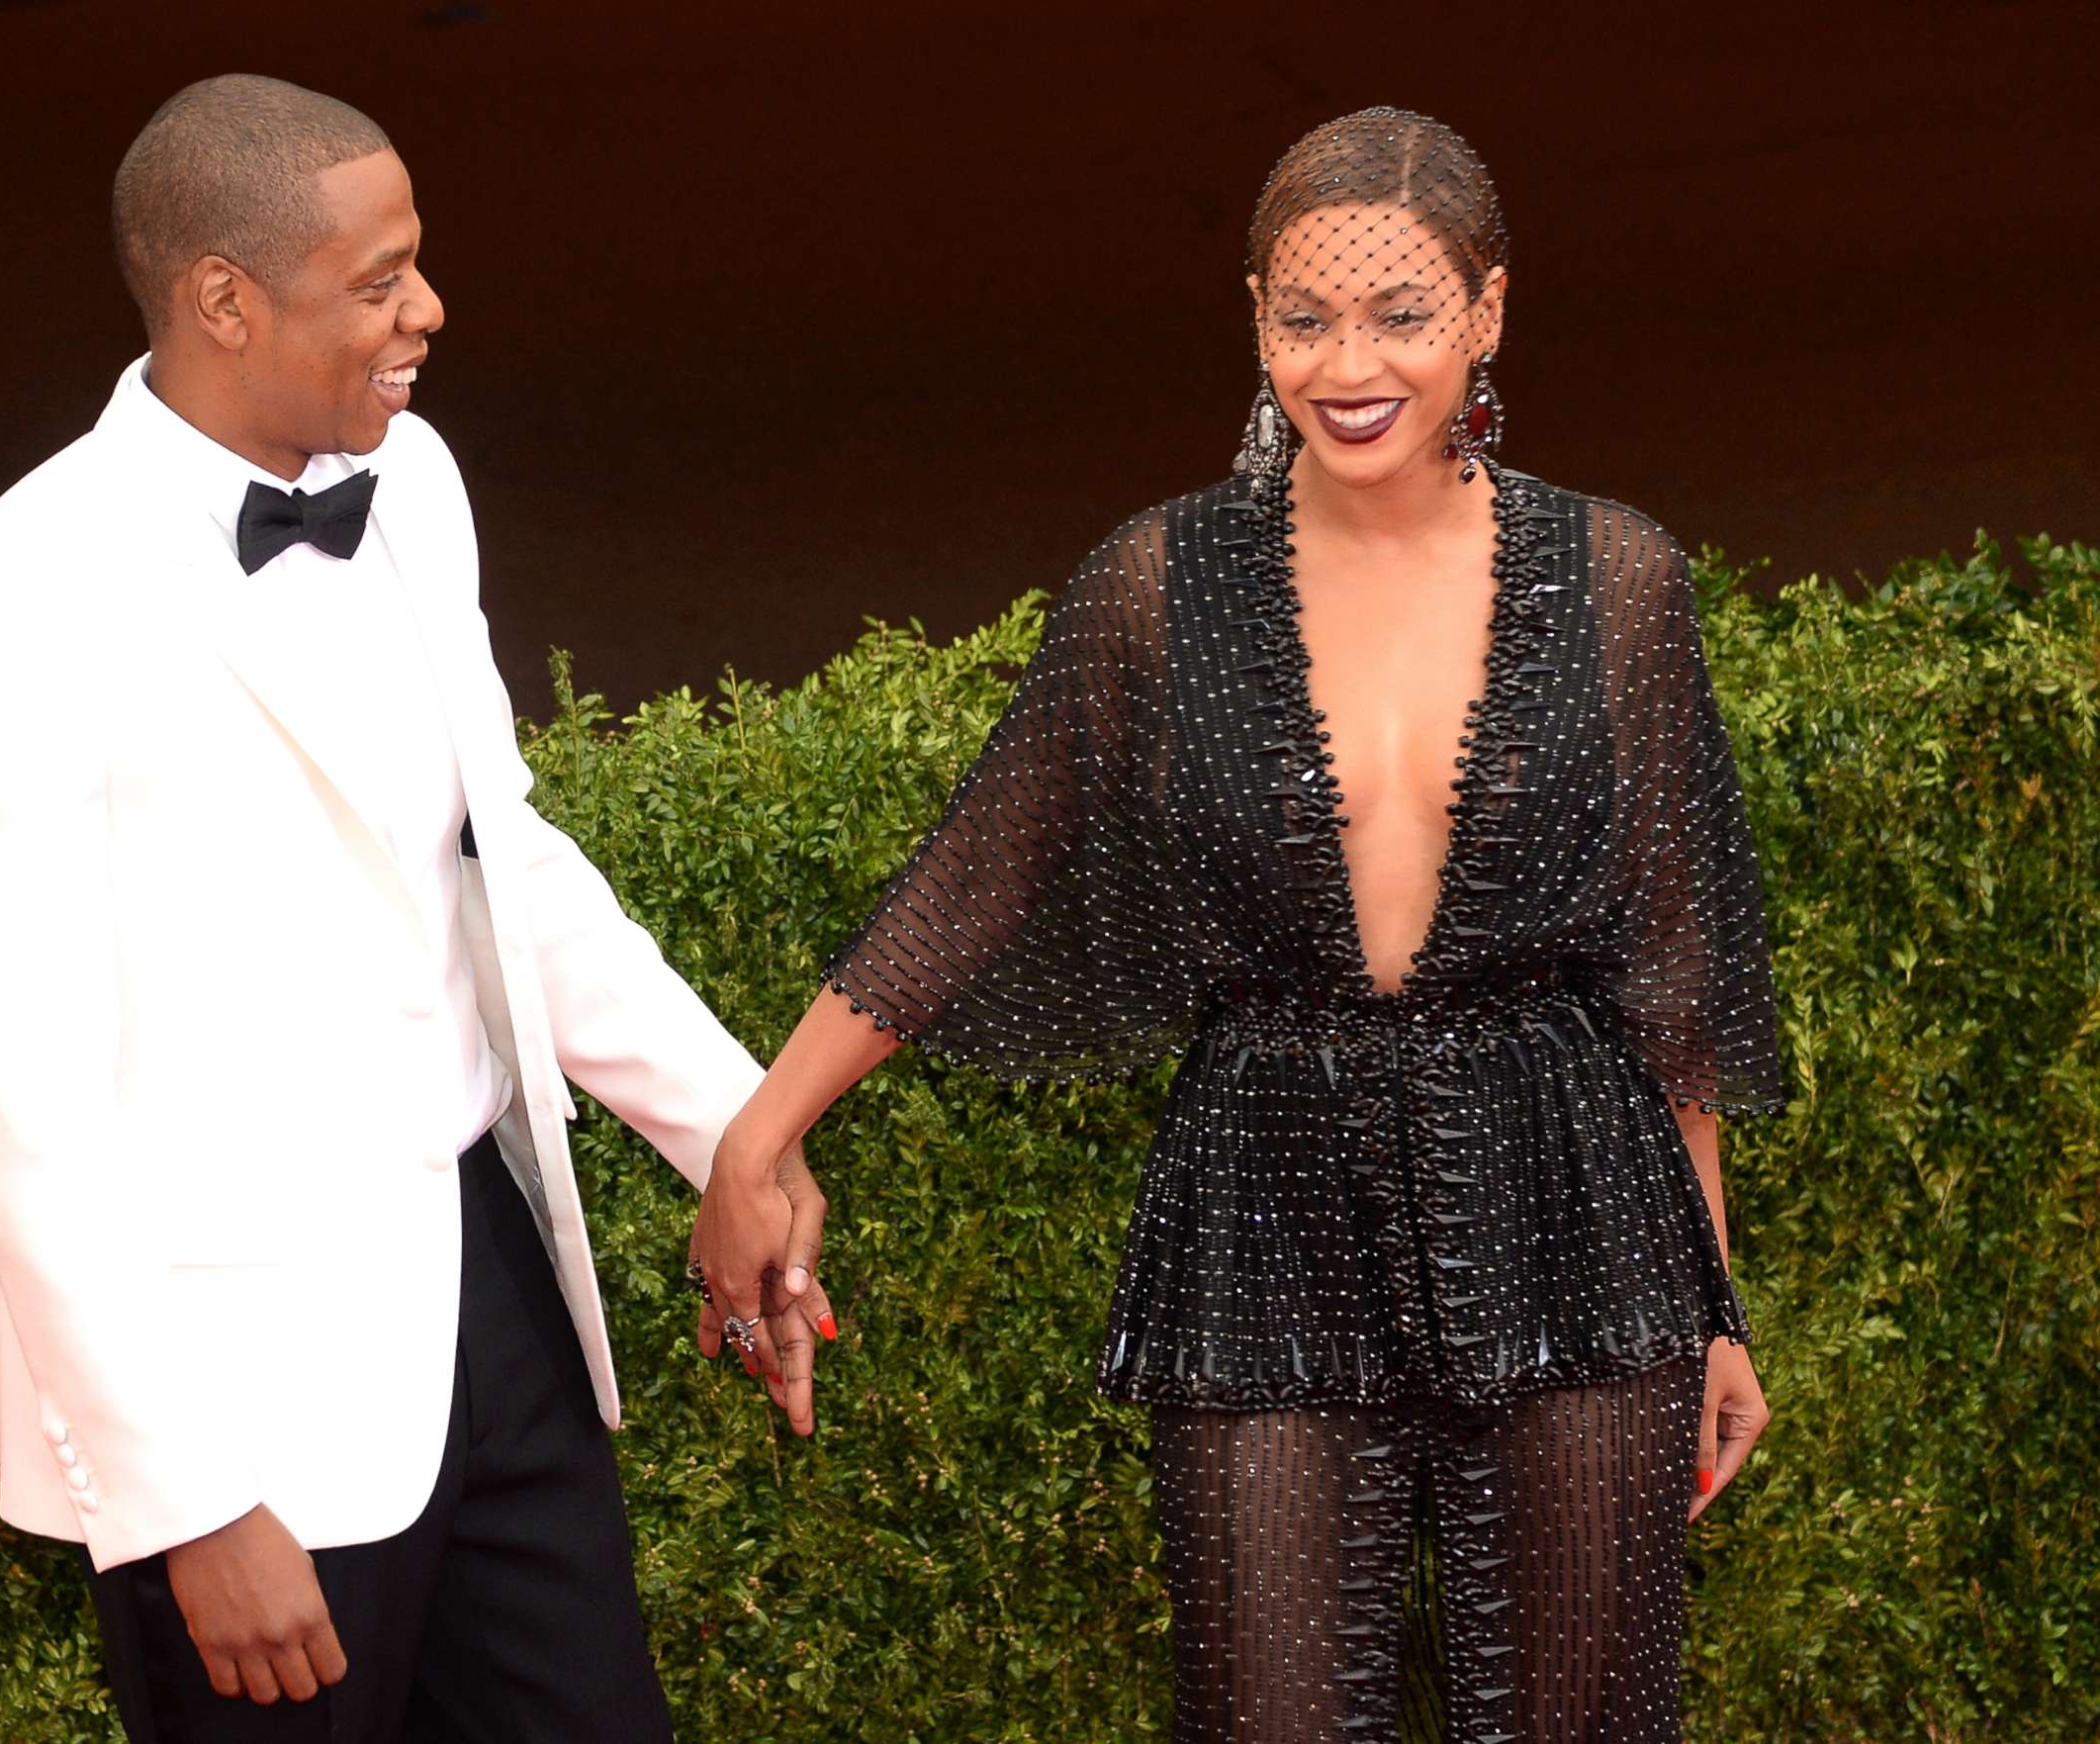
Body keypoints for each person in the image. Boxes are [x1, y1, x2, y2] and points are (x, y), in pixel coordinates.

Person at [714, 107, 1787, 1741]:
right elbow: (974, 878)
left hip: (1585, 1214)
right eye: (1305, 317)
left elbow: (1673, 961)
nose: (1347, 365)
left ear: (1490, 311)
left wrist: (1709, 1299)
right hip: (1269, 1208)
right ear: (1256, 317)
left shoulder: (1615, 576)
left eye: (1401, 314)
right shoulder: (1159, 584)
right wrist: (754, 1138)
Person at [0, 72, 832, 1742]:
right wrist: (182, 1498)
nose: (428, 312)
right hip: (242, 1398)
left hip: (490, 1311)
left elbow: (502, 860)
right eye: (381, 279)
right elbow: (17, 1114)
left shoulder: (419, 483)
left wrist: (736, 1136)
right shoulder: (14, 599)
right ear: (225, 300)